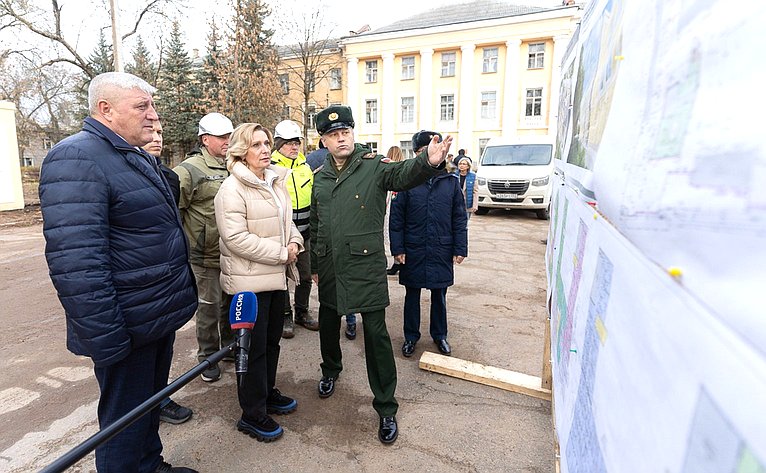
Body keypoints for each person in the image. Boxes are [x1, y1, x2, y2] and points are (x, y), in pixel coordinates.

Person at [39, 72, 198, 473]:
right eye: (142, 107)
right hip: (124, 327)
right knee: (122, 424)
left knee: (146, 407)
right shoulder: (76, 157)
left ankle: (150, 464)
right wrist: (108, 339)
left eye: (152, 106)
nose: (153, 116)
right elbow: (78, 264)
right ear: (105, 110)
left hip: (151, 318)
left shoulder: (130, 154)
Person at [310, 105, 453, 445]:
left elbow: (403, 175)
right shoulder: (320, 177)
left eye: (345, 131)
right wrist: (315, 266)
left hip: (364, 267)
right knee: (328, 325)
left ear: (353, 133)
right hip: (330, 266)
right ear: (324, 141)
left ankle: (386, 406)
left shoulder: (374, 168)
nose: (340, 138)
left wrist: (428, 162)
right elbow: (316, 225)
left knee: (376, 337)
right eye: (333, 134)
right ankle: (331, 370)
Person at [214, 123, 303, 442]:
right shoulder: (232, 189)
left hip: (275, 279)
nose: (265, 149)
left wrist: (294, 241)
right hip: (248, 285)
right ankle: (251, 414)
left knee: (270, 343)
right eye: (256, 145)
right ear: (241, 152)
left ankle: (265, 394)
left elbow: (286, 221)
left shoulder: (273, 181)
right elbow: (235, 238)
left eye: (267, 143)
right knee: (250, 351)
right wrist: (282, 253)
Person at [390, 131, 468, 359]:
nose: (431, 155)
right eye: (423, 152)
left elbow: (459, 217)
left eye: (435, 149)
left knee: (439, 295)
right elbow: (397, 218)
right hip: (413, 248)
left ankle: (439, 335)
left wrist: (460, 248)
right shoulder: (406, 182)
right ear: (416, 155)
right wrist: (398, 249)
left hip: (441, 248)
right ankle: (410, 336)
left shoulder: (450, 183)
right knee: (411, 295)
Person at [174, 112, 235, 383]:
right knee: (208, 307)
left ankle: (230, 347)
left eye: (229, 136)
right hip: (204, 254)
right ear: (205, 138)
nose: (227, 141)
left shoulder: (233, 165)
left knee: (230, 303)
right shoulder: (189, 170)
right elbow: (173, 211)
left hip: (231, 252)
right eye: (222, 137)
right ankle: (208, 358)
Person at [142, 120, 194, 425]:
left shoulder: (168, 177)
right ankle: (149, 404)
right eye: (151, 132)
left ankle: (160, 397)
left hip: (167, 280)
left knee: (164, 348)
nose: (156, 138)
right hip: (141, 283)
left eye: (161, 133)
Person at [271, 120, 320, 338]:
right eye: (289, 143)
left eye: (297, 142)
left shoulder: (304, 167)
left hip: (305, 234)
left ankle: (302, 312)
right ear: (279, 144)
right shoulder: (270, 167)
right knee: (281, 279)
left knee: (305, 276)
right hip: (280, 235)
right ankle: (284, 315)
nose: (294, 147)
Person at [384, 146, 405, 276]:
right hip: (399, 201)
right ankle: (399, 262)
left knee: (388, 231)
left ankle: (392, 261)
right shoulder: (403, 167)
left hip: (389, 202)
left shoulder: (387, 167)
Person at [456, 155, 479, 220]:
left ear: (468, 166)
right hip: (456, 204)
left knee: (465, 223)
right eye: (460, 164)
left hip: (467, 204)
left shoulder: (473, 176)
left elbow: (475, 191)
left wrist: (475, 205)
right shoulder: (454, 175)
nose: (461, 165)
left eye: (464, 164)